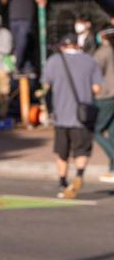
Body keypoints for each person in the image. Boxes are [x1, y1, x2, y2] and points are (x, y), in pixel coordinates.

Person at [39, 34, 103, 198]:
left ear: (62, 46)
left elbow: (46, 85)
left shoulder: (54, 61)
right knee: (81, 149)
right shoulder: (90, 61)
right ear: (77, 45)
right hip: (82, 116)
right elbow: (97, 88)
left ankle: (62, 181)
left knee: (62, 151)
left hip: (61, 115)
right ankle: (79, 174)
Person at [0, 0, 46, 73]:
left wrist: (41, 0)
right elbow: (3, 1)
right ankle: (24, 66)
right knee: (18, 44)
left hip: (26, 20)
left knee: (23, 40)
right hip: (13, 20)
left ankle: (16, 63)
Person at [92, 28, 114, 183]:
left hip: (106, 95)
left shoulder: (103, 52)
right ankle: (112, 169)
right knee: (112, 131)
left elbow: (94, 74)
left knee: (95, 129)